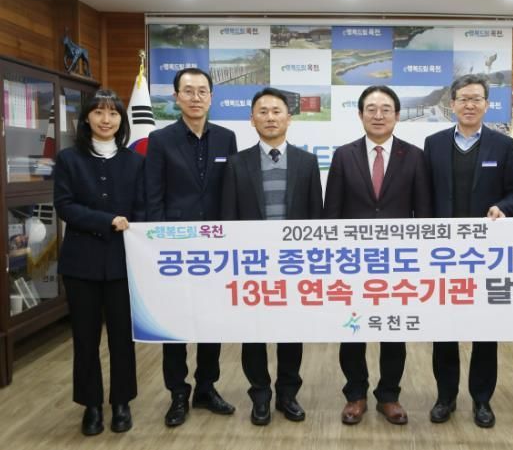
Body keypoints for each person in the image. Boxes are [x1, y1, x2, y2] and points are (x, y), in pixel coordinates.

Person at [323, 85, 432, 425]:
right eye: (371, 109)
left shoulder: (414, 156)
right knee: (352, 329)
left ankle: (389, 396)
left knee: (393, 331)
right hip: (352, 263)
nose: (378, 115)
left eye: (386, 109)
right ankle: (355, 394)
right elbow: (332, 213)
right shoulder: (344, 155)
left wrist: (421, 260)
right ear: (360, 115)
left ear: (397, 115)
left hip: (398, 264)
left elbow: (424, 214)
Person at [423, 74, 513, 428]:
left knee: (485, 331)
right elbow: (425, 194)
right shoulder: (433, 143)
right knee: (444, 331)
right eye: (463, 99)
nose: (469, 104)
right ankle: (445, 397)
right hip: (443, 255)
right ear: (452, 104)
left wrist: (503, 208)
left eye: (476, 99)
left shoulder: (503, 145)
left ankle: (482, 400)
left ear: (486, 104)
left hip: (486, 256)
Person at [221, 87, 323, 425]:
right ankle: (260, 395)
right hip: (251, 266)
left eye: (277, 111)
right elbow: (228, 218)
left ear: (288, 118)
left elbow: (316, 217)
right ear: (252, 120)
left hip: (294, 265)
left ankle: (288, 394)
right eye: (262, 112)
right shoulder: (236, 163)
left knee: (291, 332)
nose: (270, 117)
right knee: (253, 334)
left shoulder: (307, 162)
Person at [145, 67, 237, 427]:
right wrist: (158, 245)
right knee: (175, 324)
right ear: (176, 97)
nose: (195, 97)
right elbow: (153, 196)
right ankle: (178, 394)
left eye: (202, 91)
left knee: (212, 322)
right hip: (175, 250)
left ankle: (206, 388)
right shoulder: (160, 139)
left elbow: (230, 192)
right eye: (188, 91)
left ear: (211, 97)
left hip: (216, 250)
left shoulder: (226, 138)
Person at [53, 89, 143, 436]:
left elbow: (143, 206)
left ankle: (122, 402)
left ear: (122, 120)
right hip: (81, 264)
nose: (106, 120)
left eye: (113, 113)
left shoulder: (135, 161)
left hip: (124, 263)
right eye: (99, 112)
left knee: (122, 337)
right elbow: (65, 205)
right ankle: (91, 405)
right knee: (85, 338)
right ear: (86, 118)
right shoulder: (68, 159)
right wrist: (107, 221)